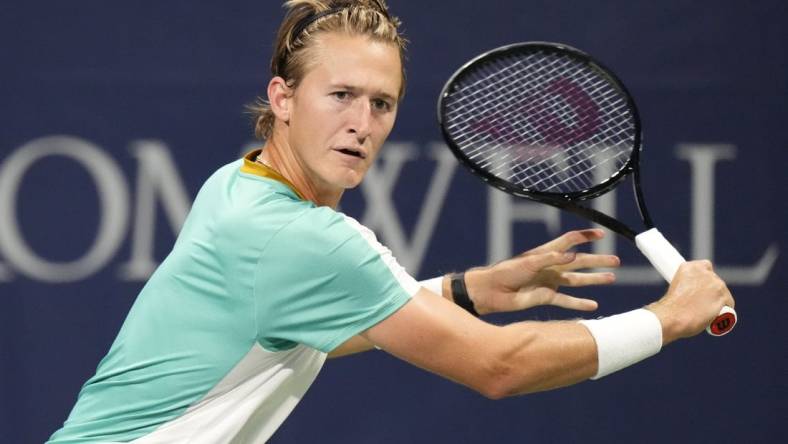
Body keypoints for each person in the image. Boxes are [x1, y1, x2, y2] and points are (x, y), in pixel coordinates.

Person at [48, 1, 735, 442]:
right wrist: (669, 318)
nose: (361, 124)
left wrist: (467, 292)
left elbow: (295, 334)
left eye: (382, 104)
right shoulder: (306, 239)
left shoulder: (237, 183)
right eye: (341, 95)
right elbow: (500, 366)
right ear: (282, 97)